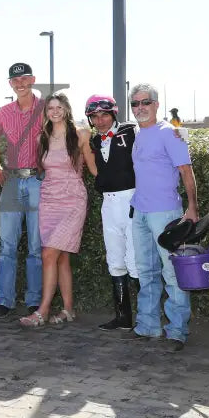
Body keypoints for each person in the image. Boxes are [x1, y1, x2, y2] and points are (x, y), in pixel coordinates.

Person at [127, 84, 198, 352]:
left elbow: (186, 171)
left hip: (166, 214)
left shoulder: (169, 133)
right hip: (141, 212)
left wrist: (192, 209)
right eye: (135, 104)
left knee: (172, 273)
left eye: (145, 102)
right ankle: (148, 325)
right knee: (145, 271)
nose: (140, 108)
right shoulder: (138, 134)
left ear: (156, 104)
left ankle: (177, 331)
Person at [19, 94, 92, 328]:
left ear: (67, 109)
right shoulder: (43, 136)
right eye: (51, 108)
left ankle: (42, 310)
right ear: (46, 112)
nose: (55, 111)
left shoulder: (81, 134)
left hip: (72, 200)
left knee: (48, 254)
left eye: (59, 107)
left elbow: (94, 167)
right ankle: (68, 309)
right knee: (61, 259)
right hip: (49, 199)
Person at [0, 63, 45, 319]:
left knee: (35, 246)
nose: (20, 83)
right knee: (7, 246)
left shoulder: (46, 108)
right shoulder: (4, 112)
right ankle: (5, 301)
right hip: (11, 181)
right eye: (14, 80)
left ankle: (34, 301)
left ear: (32, 79)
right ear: (10, 83)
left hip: (38, 180)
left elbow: (66, 134)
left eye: (24, 78)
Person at [83, 95, 139, 331]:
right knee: (115, 261)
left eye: (104, 115)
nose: (100, 120)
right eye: (95, 116)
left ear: (114, 114)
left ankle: (147, 318)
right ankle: (123, 317)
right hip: (108, 202)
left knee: (135, 261)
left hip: (132, 199)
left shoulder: (132, 131)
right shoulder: (95, 141)